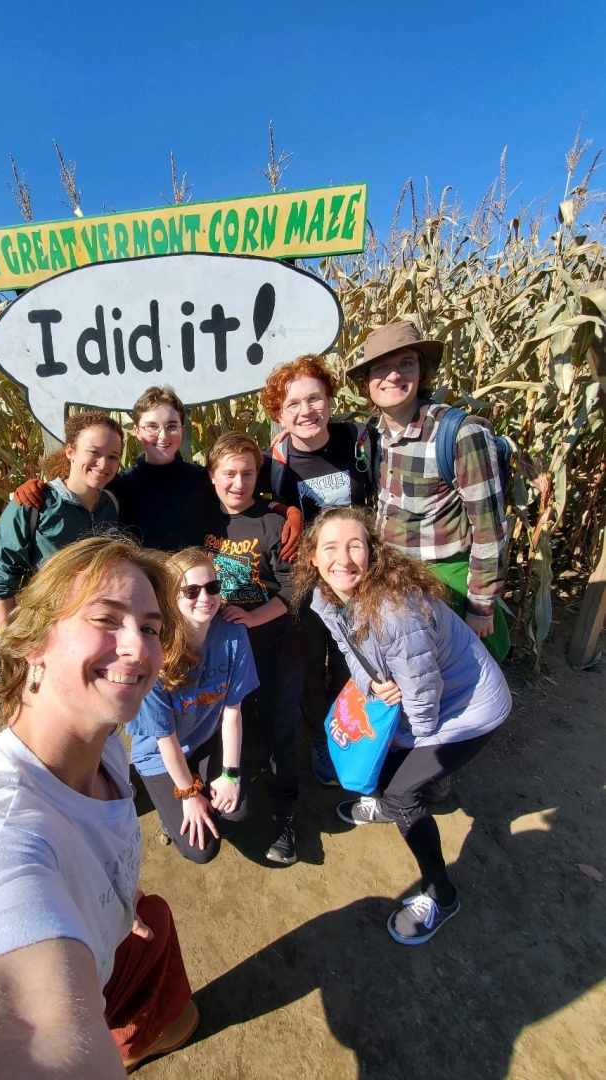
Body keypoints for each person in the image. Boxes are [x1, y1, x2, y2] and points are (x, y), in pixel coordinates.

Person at [0, 536, 198, 1079]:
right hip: (89, 976)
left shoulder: (103, 747)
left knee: (160, 929)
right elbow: (11, 1023)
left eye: (148, 627)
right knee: (180, 1022)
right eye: (106, 618)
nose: (138, 648)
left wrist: (117, 901)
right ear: (34, 644)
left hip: (117, 942)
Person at [292, 506, 511, 944]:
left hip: (469, 710)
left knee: (402, 788)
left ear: (373, 553)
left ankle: (440, 892)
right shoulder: (326, 596)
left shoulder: (396, 612)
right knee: (389, 762)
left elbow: (424, 701)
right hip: (429, 698)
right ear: (312, 557)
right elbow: (350, 653)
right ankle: (391, 805)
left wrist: (405, 745)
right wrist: (373, 685)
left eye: (356, 545)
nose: (344, 559)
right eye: (330, 548)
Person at [346, 321, 510, 662]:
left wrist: (480, 607)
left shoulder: (460, 434)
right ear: (366, 381)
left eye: (406, 363)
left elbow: (489, 530)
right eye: (381, 367)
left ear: (423, 371)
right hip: (393, 578)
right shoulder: (371, 435)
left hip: (446, 581)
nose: (393, 376)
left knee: (460, 683)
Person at [258, 354, 376, 786]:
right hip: (307, 580)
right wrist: (283, 506)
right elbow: (243, 496)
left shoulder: (360, 440)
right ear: (279, 413)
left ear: (330, 399)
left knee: (355, 659)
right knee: (308, 664)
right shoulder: (276, 458)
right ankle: (321, 738)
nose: (306, 411)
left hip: (356, 575)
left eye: (315, 399)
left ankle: (349, 732)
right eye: (293, 405)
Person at [12, 385, 302, 555]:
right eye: (151, 427)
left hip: (193, 593)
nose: (162, 436)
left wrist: (287, 511)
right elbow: (78, 488)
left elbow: (245, 491)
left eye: (171, 426)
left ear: (182, 429)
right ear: (137, 431)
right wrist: (42, 487)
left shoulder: (201, 479)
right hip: (142, 595)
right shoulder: (118, 486)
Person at [203, 432, 304, 866]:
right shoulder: (201, 519)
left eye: (248, 473)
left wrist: (254, 617)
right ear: (212, 477)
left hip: (274, 644)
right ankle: (220, 794)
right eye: (229, 473)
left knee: (281, 726)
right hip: (222, 652)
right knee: (227, 723)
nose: (238, 482)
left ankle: (285, 816)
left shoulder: (274, 524)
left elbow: (294, 588)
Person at [127, 548, 259, 863]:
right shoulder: (155, 652)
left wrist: (230, 775)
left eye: (213, 587)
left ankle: (205, 792)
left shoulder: (233, 635)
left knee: (237, 810)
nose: (206, 597)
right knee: (202, 850)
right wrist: (188, 794)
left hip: (204, 737)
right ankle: (167, 809)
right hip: (161, 755)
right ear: (172, 597)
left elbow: (232, 713)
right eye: (192, 590)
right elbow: (164, 738)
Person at [0, 410, 123, 630]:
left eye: (113, 456)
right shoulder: (33, 505)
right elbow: (3, 582)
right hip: (48, 628)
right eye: (94, 452)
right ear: (70, 451)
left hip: (100, 628)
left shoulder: (111, 504)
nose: (103, 464)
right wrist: (8, 644)